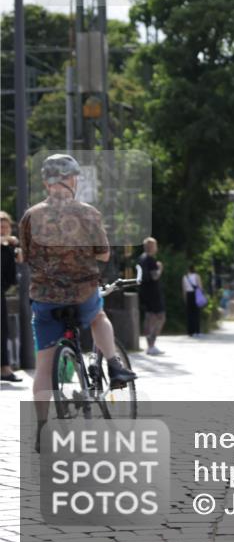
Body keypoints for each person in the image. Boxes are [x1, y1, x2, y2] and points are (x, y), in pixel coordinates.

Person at [19, 155, 137, 439]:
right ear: (71, 179)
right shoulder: (87, 213)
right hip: (82, 294)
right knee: (98, 316)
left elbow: (24, 256)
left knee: (44, 368)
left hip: (46, 300)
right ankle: (114, 364)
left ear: (47, 182)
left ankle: (42, 429)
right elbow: (104, 253)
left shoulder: (30, 216)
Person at [1, 211, 22, 382]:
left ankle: (4, 368)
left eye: (6, 227)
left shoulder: (8, 245)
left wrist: (17, 248)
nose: (3, 230)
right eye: (0, 227)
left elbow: (20, 261)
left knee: (3, 329)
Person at [136, 237, 166, 356]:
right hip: (153, 293)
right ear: (152, 247)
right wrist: (160, 268)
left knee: (149, 317)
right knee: (160, 316)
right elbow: (155, 276)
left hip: (144, 292)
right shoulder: (151, 260)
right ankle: (151, 345)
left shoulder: (141, 258)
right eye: (155, 245)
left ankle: (149, 345)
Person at [182, 265, 203, 336]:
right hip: (195, 295)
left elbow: (184, 289)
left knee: (189, 314)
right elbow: (200, 287)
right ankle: (197, 331)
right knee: (196, 314)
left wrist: (185, 298)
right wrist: (201, 296)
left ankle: (190, 332)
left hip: (188, 295)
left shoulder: (184, 277)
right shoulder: (197, 276)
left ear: (188, 269)